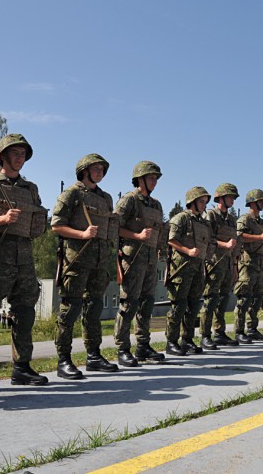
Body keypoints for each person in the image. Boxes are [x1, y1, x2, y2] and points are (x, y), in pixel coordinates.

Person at [0, 134, 50, 395]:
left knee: (25, 314)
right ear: (2, 156)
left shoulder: (30, 189)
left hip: (24, 258)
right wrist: (1, 219)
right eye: (15, 153)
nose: (20, 158)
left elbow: (36, 221)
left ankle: (22, 368)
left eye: (23, 154)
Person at [52, 154, 119, 379]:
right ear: (84, 170)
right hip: (77, 260)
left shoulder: (106, 198)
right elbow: (56, 225)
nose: (99, 172)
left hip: (100, 262)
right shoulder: (72, 194)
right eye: (95, 168)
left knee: (94, 309)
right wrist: (82, 233)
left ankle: (93, 355)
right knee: (70, 310)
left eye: (102, 168)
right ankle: (64, 360)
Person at [114, 161, 167, 366]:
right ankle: (122, 348)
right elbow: (114, 227)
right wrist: (137, 235)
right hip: (132, 258)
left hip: (150, 259)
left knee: (147, 303)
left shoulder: (156, 205)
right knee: (129, 303)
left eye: (156, 178)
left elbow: (160, 230)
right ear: (140, 179)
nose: (154, 181)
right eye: (151, 177)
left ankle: (143, 345)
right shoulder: (128, 201)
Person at [166, 187, 211, 356]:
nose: (204, 204)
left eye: (205, 202)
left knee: (193, 305)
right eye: (201, 201)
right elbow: (171, 239)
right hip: (182, 268)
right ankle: (171, 342)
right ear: (192, 202)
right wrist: (187, 250)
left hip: (198, 267)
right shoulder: (181, 218)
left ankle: (187, 339)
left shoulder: (203, 222)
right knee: (178, 305)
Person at [201, 183, 243, 349]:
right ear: (221, 198)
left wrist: (234, 265)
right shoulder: (211, 216)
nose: (233, 200)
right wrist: (224, 245)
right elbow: (207, 238)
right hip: (213, 262)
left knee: (224, 298)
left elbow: (235, 245)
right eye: (230, 197)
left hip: (227, 264)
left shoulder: (232, 220)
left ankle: (219, 333)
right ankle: (205, 335)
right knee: (211, 299)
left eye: (233, 197)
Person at [234, 189, 263, 341]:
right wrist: (259, 237)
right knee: (244, 298)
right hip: (247, 263)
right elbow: (239, 235)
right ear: (253, 203)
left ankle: (252, 328)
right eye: (261, 201)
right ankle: (239, 331)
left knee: (256, 298)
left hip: (259, 263)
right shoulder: (245, 219)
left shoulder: (260, 222)